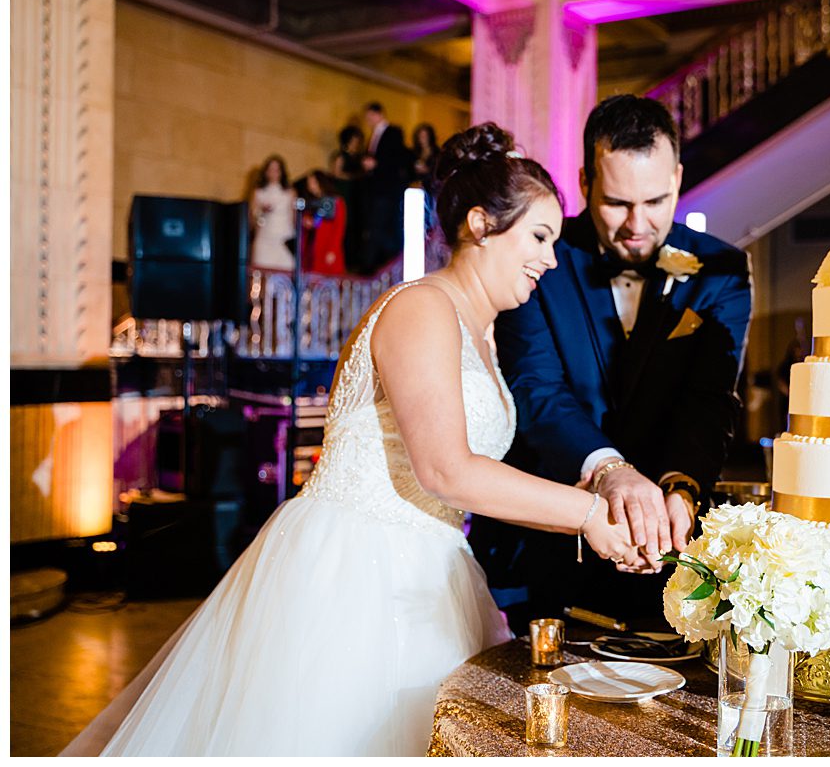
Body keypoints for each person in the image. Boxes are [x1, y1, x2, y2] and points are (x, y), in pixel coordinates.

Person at [61, 124, 651, 756]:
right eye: (539, 237)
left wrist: (596, 506)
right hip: (353, 571)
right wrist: (585, 514)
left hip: (431, 568)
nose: (551, 260)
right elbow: (447, 470)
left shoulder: (483, 334)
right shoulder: (422, 308)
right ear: (481, 225)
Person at [475, 94, 753, 631]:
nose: (637, 223)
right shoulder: (538, 256)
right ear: (585, 182)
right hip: (544, 552)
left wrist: (682, 489)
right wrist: (609, 469)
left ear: (677, 178)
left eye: (656, 201)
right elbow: (536, 387)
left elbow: (709, 397)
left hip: (666, 555)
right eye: (618, 203)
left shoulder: (722, 268)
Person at [348, 102, 415, 277]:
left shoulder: (392, 132)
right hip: (374, 189)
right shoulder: (373, 136)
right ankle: (373, 264)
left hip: (385, 190)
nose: (368, 120)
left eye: (369, 116)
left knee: (378, 226)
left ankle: (372, 265)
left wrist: (376, 164)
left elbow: (395, 159)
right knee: (373, 226)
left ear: (377, 114)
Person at [247, 155, 297, 271]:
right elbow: (252, 220)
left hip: (284, 239)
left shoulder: (290, 192)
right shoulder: (258, 192)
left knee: (287, 272)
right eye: (270, 169)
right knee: (262, 272)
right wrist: (261, 211)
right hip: (265, 238)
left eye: (277, 170)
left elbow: (294, 217)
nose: (273, 173)